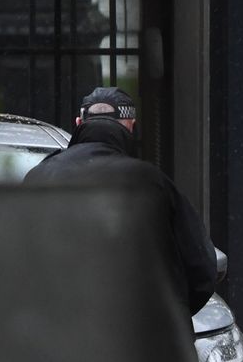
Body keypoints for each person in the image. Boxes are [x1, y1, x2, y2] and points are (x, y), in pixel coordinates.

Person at [23, 86, 216, 318]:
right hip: (141, 344)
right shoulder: (152, 184)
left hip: (60, 340)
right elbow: (201, 268)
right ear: (131, 126)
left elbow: (14, 265)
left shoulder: (39, 179)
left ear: (78, 122)